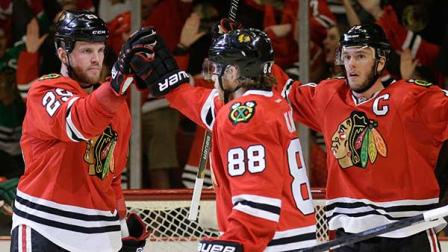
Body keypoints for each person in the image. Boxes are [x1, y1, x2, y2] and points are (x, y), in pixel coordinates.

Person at [131, 28, 317, 251]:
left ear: (232, 73)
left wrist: (232, 244)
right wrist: (173, 87)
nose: (212, 78)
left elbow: (256, 206)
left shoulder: (244, 117)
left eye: (215, 69)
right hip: (292, 235)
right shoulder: (271, 102)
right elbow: (208, 106)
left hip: (272, 243)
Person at [275, 23, 448, 251]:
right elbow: (282, 89)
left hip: (408, 234)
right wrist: (247, 55)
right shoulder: (329, 97)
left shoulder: (412, 99)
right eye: (346, 57)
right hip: (349, 237)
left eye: (361, 56)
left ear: (381, 61)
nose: (351, 64)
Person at [10, 10, 151, 252]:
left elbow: (112, 175)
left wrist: (120, 223)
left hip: (99, 235)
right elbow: (79, 123)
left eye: (100, 50)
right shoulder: (45, 90)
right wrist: (118, 80)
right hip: (45, 226)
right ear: (63, 54)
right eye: (87, 51)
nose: (96, 58)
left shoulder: (117, 107)